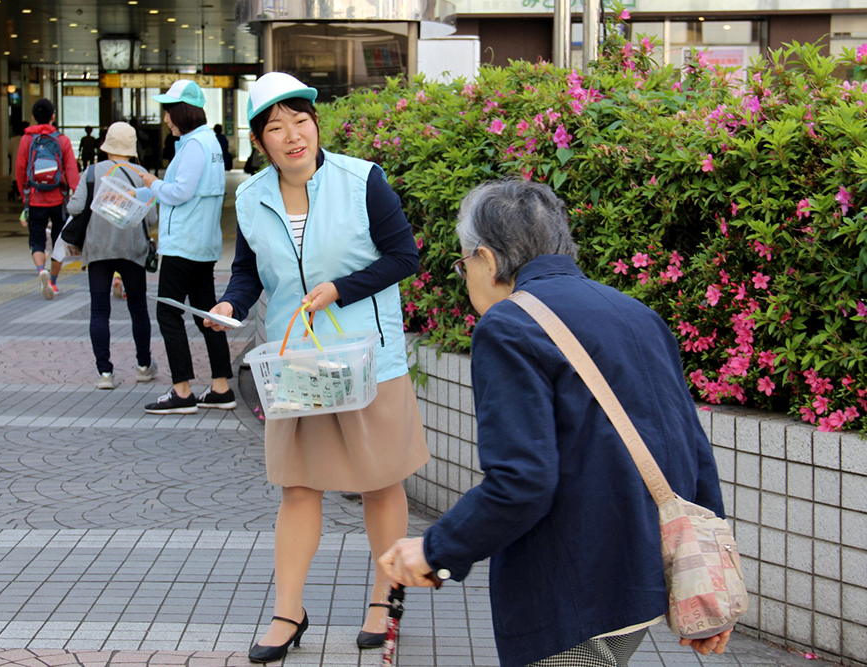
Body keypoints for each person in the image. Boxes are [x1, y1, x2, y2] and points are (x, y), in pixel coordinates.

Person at [379, 179, 732, 667]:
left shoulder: (508, 325)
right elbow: (692, 446)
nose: (466, 278)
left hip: (570, 589)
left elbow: (522, 482)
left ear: (487, 258)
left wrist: (435, 550)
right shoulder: (636, 313)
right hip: (642, 578)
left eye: (463, 265)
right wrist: (707, 580)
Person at [205, 72, 431, 663]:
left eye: (300, 121)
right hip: (296, 361)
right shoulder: (250, 197)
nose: (292, 136)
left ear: (315, 124)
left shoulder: (363, 180)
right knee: (298, 488)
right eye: (275, 128)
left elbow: (404, 255)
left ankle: (385, 601)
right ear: (260, 141)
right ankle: (289, 611)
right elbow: (249, 270)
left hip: (367, 359)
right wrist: (230, 301)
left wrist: (341, 289)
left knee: (381, 482)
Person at [135, 80, 234, 415]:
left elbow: (180, 193)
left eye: (168, 110)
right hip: (203, 244)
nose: (165, 118)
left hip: (183, 245)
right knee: (208, 316)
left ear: (182, 112)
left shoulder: (193, 145)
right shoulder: (209, 142)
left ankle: (182, 392)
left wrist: (151, 183)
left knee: (168, 313)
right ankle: (220, 388)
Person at [66, 122, 158, 390]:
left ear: (106, 145)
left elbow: (74, 207)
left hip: (98, 248)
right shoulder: (142, 175)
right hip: (133, 248)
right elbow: (150, 216)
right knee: (138, 309)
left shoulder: (92, 173)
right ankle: (143, 366)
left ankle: (104, 373)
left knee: (99, 311)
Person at [16, 98, 80, 300]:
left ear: (34, 117)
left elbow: (20, 169)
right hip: (58, 199)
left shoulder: (26, 139)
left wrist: (23, 194)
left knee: (37, 242)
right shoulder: (62, 140)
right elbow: (71, 171)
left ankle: (40, 269)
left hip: (35, 199)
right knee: (59, 242)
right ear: (53, 116)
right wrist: (77, 195)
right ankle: (53, 281)